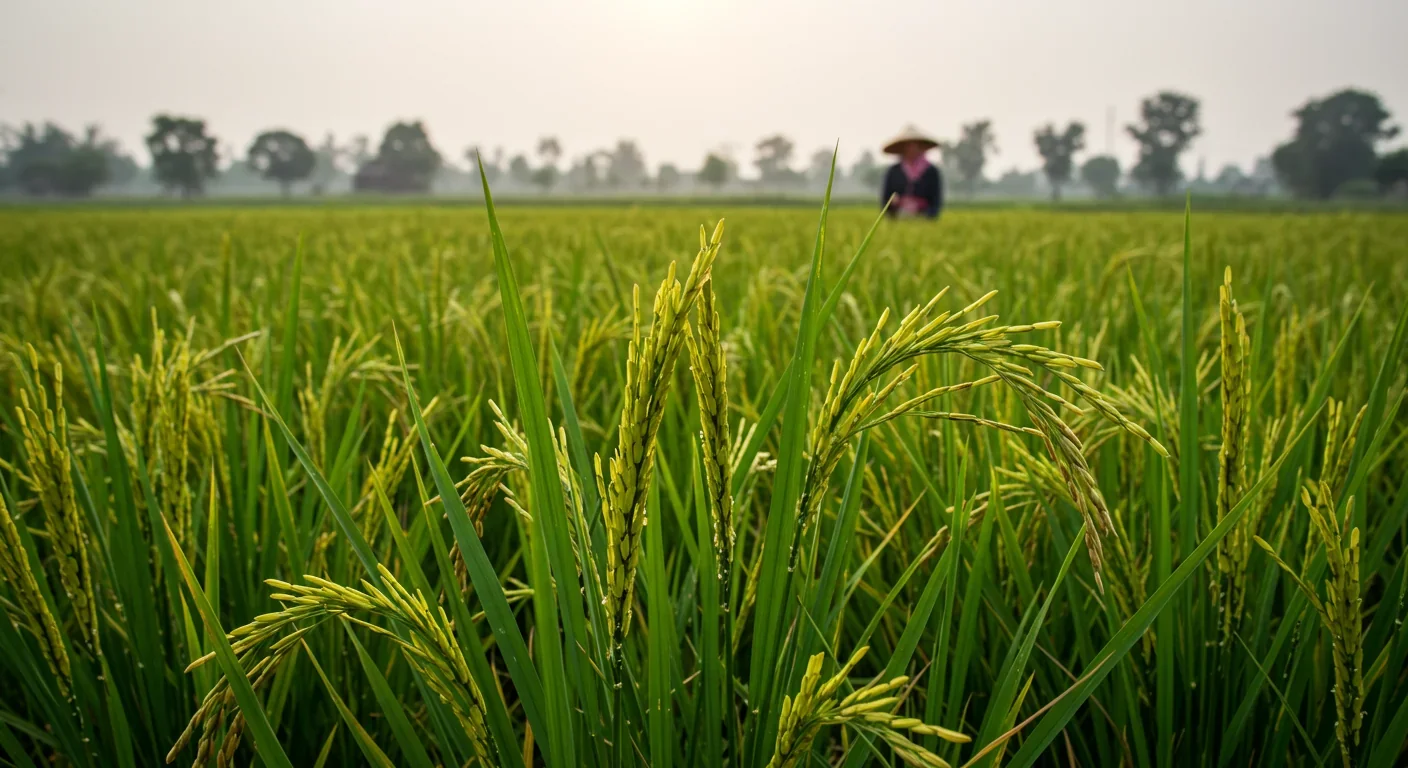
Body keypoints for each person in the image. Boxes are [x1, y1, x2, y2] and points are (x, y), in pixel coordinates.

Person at [880, 125, 944, 219]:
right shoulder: (893, 171)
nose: (912, 149)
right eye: (908, 145)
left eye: (915, 145)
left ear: (922, 147)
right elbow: (885, 200)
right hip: (898, 218)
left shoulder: (931, 172)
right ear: (902, 148)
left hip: (923, 218)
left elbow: (936, 201)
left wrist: (926, 215)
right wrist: (894, 205)